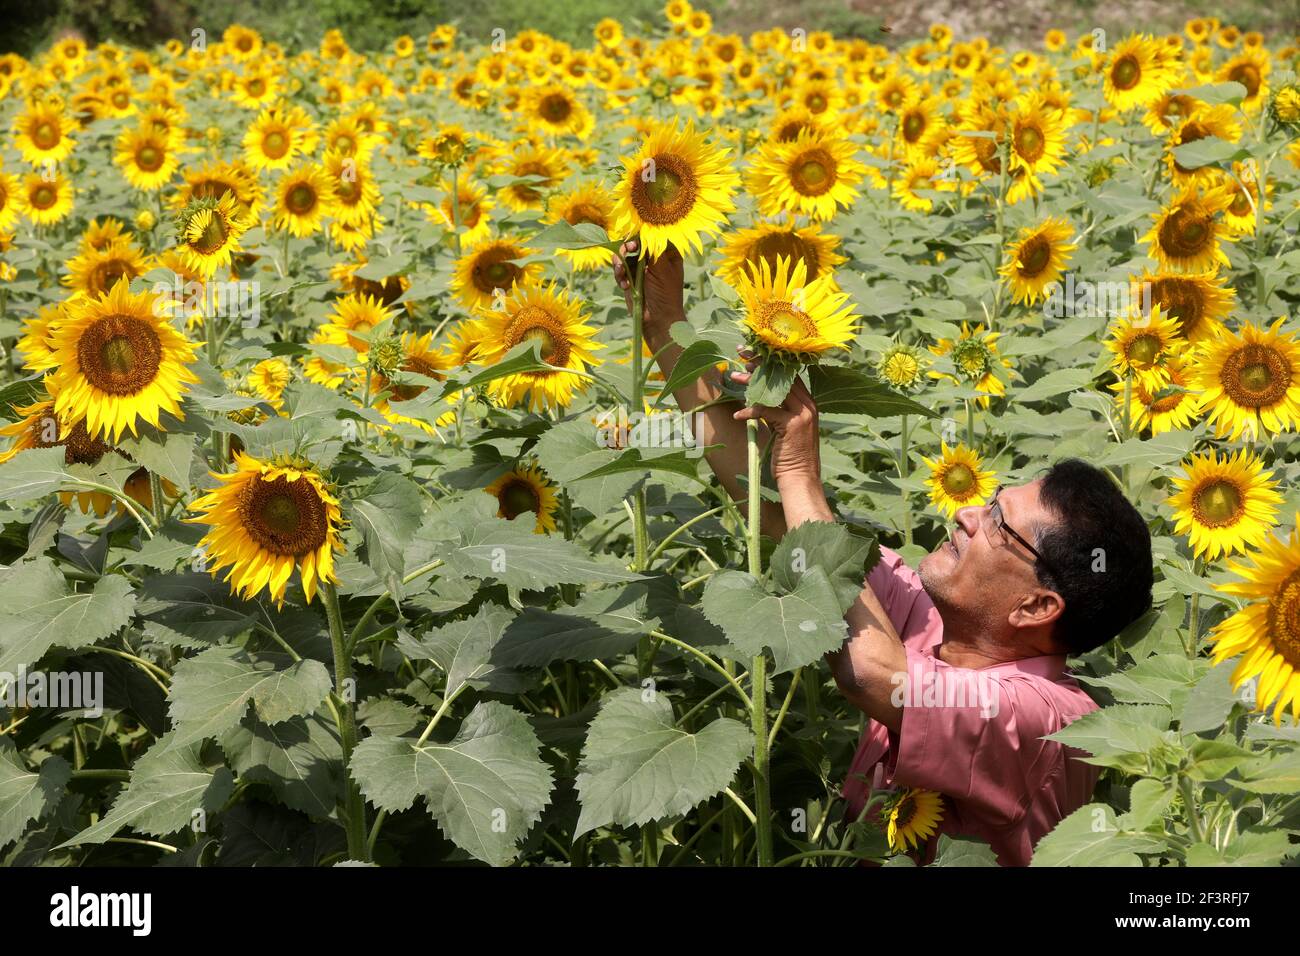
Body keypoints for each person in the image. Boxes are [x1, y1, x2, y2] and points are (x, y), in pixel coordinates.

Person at [613, 241, 1155, 865]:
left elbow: (875, 677)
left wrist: (801, 471)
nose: (966, 512)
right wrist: (663, 326)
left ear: (1036, 605)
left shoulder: (1048, 719)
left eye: (997, 521)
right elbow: (779, 519)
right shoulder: (928, 623)